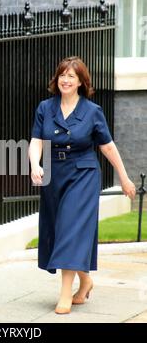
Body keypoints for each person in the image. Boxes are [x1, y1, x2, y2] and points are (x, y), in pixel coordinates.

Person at [29, 56, 136, 315]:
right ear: (57, 79)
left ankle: (64, 295)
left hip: (83, 175)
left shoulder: (92, 111)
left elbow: (107, 147)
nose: (66, 80)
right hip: (55, 176)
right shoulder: (45, 107)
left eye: (72, 76)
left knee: (69, 229)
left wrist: (124, 177)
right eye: (63, 75)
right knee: (58, 230)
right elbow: (36, 141)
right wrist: (35, 165)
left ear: (80, 82)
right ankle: (85, 281)